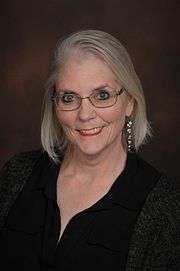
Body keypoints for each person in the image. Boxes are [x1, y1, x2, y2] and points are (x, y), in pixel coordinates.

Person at [0, 30, 179, 271]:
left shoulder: (165, 207)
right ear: (54, 105)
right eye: (69, 98)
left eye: (102, 95)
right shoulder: (16, 175)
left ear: (130, 103)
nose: (85, 115)